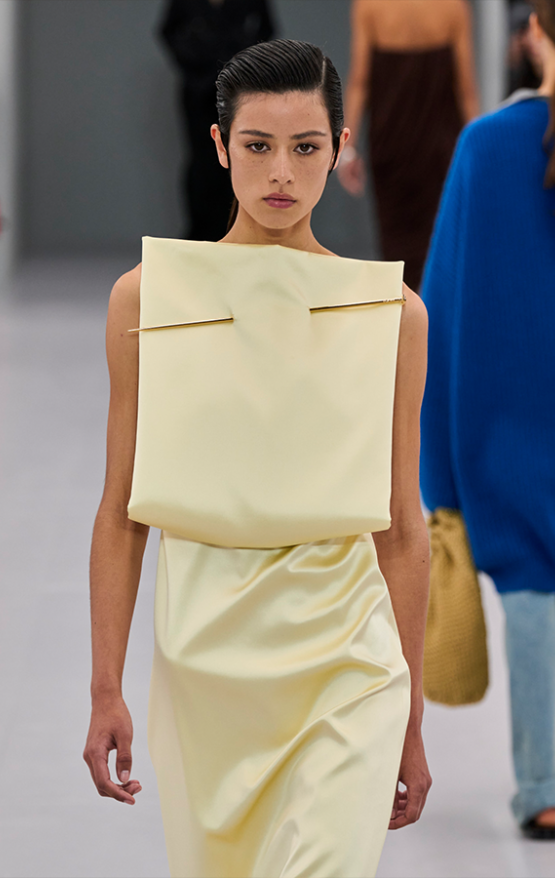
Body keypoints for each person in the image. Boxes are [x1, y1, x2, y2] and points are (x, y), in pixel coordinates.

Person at [83, 38, 431, 878]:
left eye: (306, 147)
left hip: (349, 660)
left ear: (338, 148)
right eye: (257, 145)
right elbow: (123, 510)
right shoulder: (146, 300)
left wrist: (411, 715)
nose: (281, 172)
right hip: (205, 666)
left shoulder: (390, 314)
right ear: (219, 146)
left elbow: (400, 525)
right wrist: (105, 688)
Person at [420, 0, 555, 841]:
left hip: (510, 411)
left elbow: (443, 301)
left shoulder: (486, 145)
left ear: (534, 34)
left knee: (529, 586)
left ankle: (543, 786)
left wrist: (433, 462)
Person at [338, 0, 479, 290]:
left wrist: (347, 148)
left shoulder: (369, 6)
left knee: (396, 252)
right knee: (441, 244)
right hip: (441, 147)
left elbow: (360, 81)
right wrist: (477, 153)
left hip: (390, 144)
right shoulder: (453, 7)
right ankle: (434, 316)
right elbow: (465, 88)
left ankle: (403, 315)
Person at [159, 0, 274, 242]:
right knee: (201, 160)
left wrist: (246, 58)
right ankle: (201, 231)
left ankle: (235, 227)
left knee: (240, 156)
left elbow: (268, 29)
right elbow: (167, 31)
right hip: (198, 89)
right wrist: (192, 59)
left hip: (240, 88)